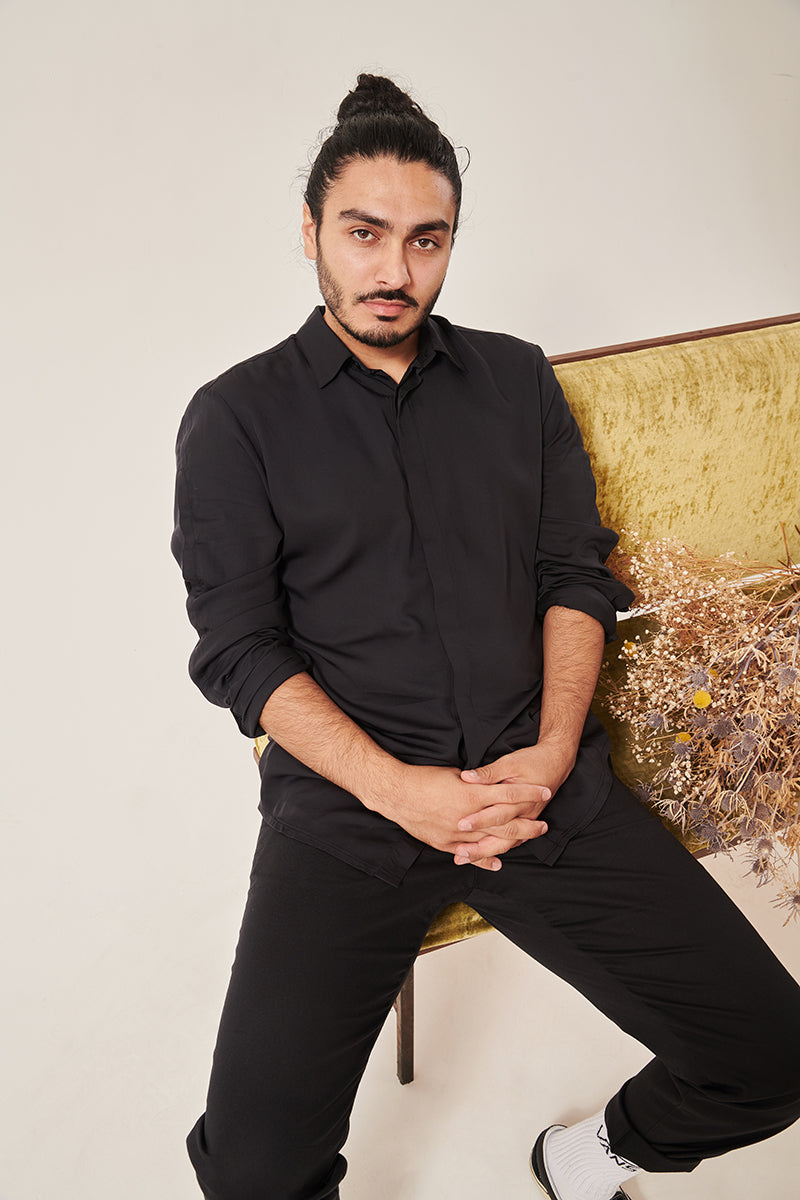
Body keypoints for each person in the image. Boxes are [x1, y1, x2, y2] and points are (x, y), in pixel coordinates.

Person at [171, 74, 800, 1200]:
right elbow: (239, 651)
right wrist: (400, 792)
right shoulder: (235, 417)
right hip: (348, 815)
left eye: (426, 239)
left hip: (536, 784)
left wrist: (555, 750)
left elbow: (573, 575)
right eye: (364, 235)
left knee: (772, 1054)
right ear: (310, 233)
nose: (394, 271)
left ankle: (584, 1158)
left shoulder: (514, 378)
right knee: (255, 1172)